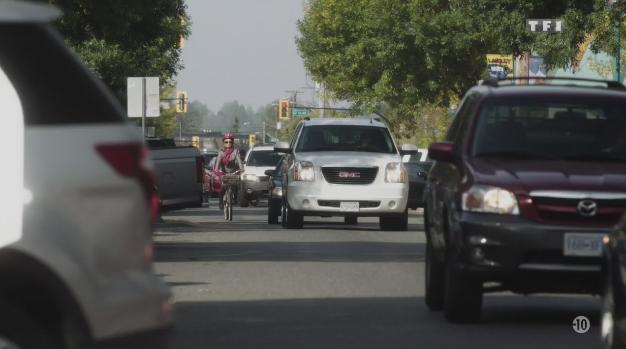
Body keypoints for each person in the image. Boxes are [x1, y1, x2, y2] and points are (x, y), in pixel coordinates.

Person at [214, 133, 244, 209]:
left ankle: (235, 198)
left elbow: (240, 162)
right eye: (226, 142)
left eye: (230, 142)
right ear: (223, 143)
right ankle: (221, 202)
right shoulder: (221, 152)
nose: (228, 144)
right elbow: (217, 164)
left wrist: (241, 169)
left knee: (237, 184)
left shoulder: (235, 152)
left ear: (232, 142)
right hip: (223, 173)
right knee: (223, 187)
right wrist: (216, 171)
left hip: (233, 173)